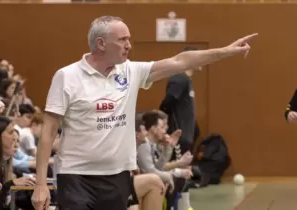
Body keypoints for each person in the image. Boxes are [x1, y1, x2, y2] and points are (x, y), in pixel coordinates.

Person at [31, 15, 257, 210]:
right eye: (122, 39)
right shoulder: (67, 76)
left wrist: (226, 51)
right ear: (100, 44)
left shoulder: (131, 71)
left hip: (117, 176)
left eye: (129, 38)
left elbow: (180, 61)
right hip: (75, 176)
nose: (129, 44)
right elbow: (49, 131)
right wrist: (41, 184)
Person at [159, 46, 201, 210]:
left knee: (185, 175)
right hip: (178, 137)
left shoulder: (187, 80)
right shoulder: (179, 78)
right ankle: (167, 206)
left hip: (186, 138)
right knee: (176, 176)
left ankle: (184, 207)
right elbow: (168, 102)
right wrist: (163, 127)